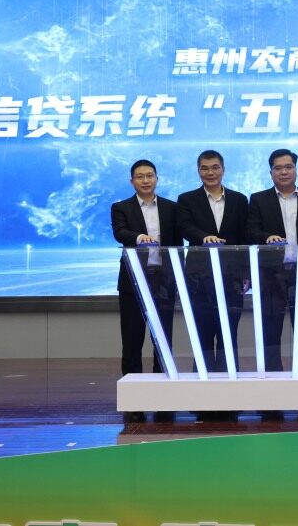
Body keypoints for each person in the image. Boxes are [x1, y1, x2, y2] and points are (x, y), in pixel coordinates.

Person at [247, 149, 298, 420]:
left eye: (288, 167)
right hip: (271, 277)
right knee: (271, 336)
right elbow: (250, 231)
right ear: (271, 172)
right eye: (278, 168)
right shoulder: (258, 200)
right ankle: (272, 398)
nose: (283, 171)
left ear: (296, 170)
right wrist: (266, 237)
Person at [111, 159, 180, 422]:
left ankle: (161, 396)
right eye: (139, 176)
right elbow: (120, 233)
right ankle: (135, 400)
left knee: (162, 342)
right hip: (133, 283)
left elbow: (178, 243)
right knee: (132, 341)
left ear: (157, 178)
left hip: (163, 282)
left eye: (149, 175)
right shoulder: (121, 208)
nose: (145, 180)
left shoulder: (172, 208)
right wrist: (139, 238)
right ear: (132, 181)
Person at [177, 150, 249, 376]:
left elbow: (245, 237)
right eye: (205, 168)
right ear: (198, 171)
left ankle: (230, 384)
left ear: (223, 169)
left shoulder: (239, 200)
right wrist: (203, 237)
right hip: (199, 278)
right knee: (203, 333)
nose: (210, 173)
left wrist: (246, 274)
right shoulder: (187, 199)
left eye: (215, 167)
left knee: (229, 332)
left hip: (232, 279)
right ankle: (202, 384)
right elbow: (185, 227)